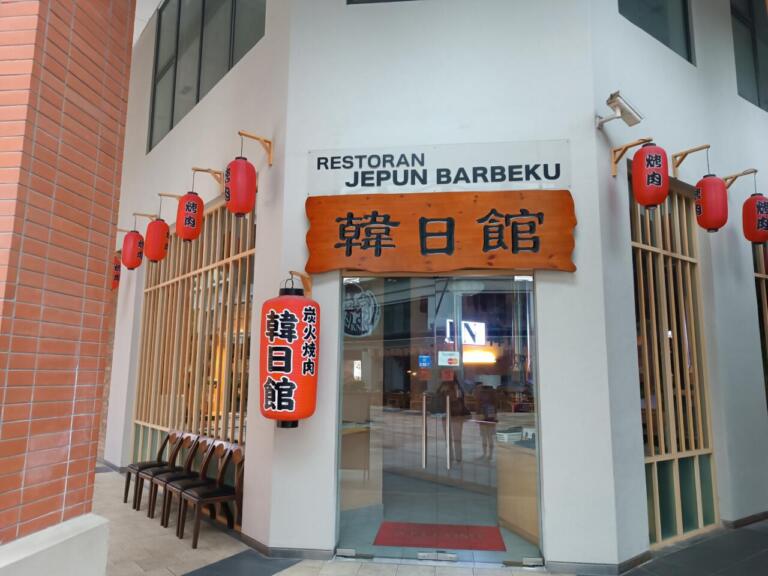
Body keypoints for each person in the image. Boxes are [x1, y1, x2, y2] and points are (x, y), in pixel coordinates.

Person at [436, 374, 467, 463]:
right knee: (456, 438)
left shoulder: (451, 387)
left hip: (452, 415)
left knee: (451, 438)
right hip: (453, 415)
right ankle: (456, 457)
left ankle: (454, 456)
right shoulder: (453, 387)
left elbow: (457, 398)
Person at [475, 381, 498, 461]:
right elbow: (495, 404)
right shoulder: (493, 391)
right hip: (490, 414)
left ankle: (486, 454)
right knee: (488, 436)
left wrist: (477, 416)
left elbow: (478, 405)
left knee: (485, 436)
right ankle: (488, 455)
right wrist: (495, 416)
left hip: (483, 414)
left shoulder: (480, 391)